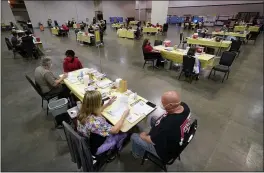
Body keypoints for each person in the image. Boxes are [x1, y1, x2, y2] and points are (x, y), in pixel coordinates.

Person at [130, 91, 191, 162]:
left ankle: (137, 154)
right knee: (154, 119)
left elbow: (152, 140)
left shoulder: (169, 125)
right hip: (173, 138)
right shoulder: (184, 106)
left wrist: (143, 136)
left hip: (164, 151)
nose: (162, 104)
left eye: (163, 102)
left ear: (171, 105)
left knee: (134, 136)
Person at [77, 91, 129, 155]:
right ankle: (115, 149)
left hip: (86, 142)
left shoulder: (82, 112)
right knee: (124, 134)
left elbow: (94, 110)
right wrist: (123, 116)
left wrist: (108, 104)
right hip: (95, 149)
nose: (102, 102)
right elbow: (115, 130)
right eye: (101, 102)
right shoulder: (96, 122)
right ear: (97, 105)